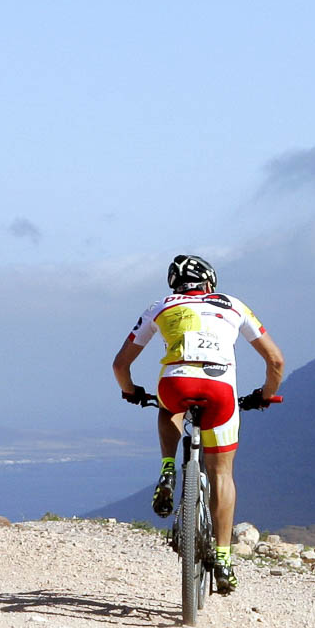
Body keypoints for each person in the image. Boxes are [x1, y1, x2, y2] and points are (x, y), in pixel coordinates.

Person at [112, 254, 284, 596]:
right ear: (210, 282)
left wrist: (131, 392)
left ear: (175, 286)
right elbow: (275, 360)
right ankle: (223, 557)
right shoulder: (232, 304)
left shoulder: (160, 306)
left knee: (167, 404)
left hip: (175, 384)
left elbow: (120, 365)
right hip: (220, 391)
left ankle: (167, 467)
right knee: (222, 473)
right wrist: (265, 395)